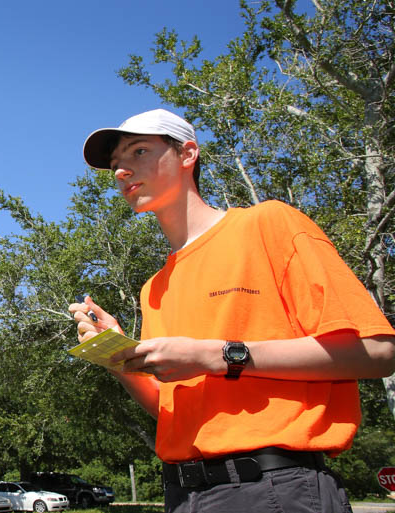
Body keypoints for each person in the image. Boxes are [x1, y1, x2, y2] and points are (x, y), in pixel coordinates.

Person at [68, 108, 395, 513]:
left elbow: (377, 352)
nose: (121, 172)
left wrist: (215, 355)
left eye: (138, 152)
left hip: (276, 488)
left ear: (187, 154)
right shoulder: (154, 288)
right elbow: (174, 411)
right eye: (116, 165)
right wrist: (119, 359)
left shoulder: (268, 223)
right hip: (185, 495)